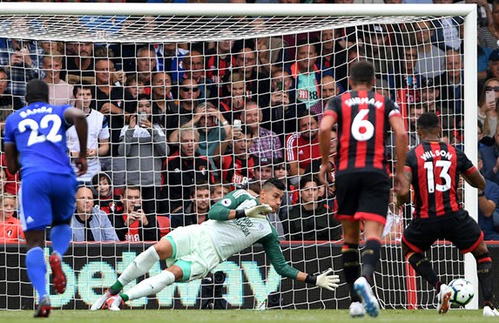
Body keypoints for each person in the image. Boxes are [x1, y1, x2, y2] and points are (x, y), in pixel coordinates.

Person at [90, 178, 340, 311]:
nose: (277, 203)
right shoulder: (242, 196)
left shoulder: (268, 231)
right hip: (198, 233)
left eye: (280, 199)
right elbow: (214, 212)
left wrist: (314, 279)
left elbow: (282, 267)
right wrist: (245, 214)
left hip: (209, 257)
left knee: (168, 276)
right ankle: (110, 291)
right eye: (275, 197)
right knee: (154, 250)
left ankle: (119, 299)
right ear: (262, 194)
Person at [319, 60, 408, 318]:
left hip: (346, 172)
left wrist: (326, 162)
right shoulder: (385, 102)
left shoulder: (338, 101)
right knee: (373, 232)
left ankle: (355, 302)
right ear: (373, 81)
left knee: (349, 237)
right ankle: (366, 279)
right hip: (376, 172)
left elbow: (325, 128)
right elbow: (401, 135)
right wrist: (400, 172)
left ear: (349, 80)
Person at [396, 112, 499, 317]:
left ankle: (440, 286)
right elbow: (480, 182)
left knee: (408, 247)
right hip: (453, 216)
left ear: (418, 132)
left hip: (426, 218)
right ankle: (488, 305)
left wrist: (400, 202)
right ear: (440, 129)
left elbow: (403, 192)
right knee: (481, 251)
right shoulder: (454, 152)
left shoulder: (411, 155)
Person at [3, 78, 88, 318]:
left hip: (34, 178)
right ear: (48, 97)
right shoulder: (59, 111)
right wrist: (82, 155)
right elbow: (80, 116)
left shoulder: (13, 119)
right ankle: (58, 255)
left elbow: (10, 167)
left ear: (26, 98)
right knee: (62, 224)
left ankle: (43, 296)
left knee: (34, 243)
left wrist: (25, 154)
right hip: (63, 175)